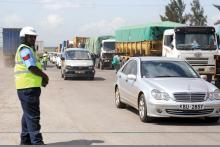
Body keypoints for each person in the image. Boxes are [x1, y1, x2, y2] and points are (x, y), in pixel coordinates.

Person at [14, 26, 49, 145]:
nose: (33, 39)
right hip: (27, 89)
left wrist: (41, 79)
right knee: (33, 117)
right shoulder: (25, 50)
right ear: (24, 38)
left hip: (29, 88)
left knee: (27, 116)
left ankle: (25, 142)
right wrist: (45, 76)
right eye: (30, 37)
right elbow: (31, 67)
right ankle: (37, 142)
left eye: (34, 37)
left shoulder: (30, 49)